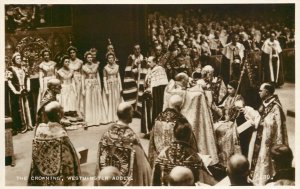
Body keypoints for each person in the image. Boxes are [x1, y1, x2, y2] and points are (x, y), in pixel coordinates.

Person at [95, 102, 151, 186]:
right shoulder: (131, 137)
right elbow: (142, 166)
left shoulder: (106, 134)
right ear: (128, 115)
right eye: (132, 112)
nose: (133, 114)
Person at [244, 83, 289, 185]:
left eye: (261, 90)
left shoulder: (276, 107)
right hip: (260, 135)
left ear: (267, 92)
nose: (259, 92)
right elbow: (261, 117)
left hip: (268, 140)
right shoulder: (265, 103)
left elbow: (277, 125)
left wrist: (263, 123)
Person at [28, 101, 81, 186]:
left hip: (42, 173)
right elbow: (71, 157)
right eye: (61, 109)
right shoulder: (61, 135)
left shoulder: (39, 130)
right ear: (59, 114)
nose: (63, 111)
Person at [152, 117, 217, 186]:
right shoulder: (194, 156)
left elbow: (155, 178)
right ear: (189, 136)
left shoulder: (163, 153)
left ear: (174, 134)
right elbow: (203, 180)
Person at [148, 94, 198, 167]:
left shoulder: (158, 118)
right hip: (177, 160)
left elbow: (152, 144)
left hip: (160, 159)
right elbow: (190, 143)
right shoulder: (181, 121)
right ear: (179, 107)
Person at [211, 80, 242, 167]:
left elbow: (239, 111)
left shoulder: (239, 98)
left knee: (224, 131)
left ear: (236, 89)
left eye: (231, 88)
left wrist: (235, 109)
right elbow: (222, 109)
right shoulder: (228, 97)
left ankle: (227, 159)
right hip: (225, 120)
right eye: (228, 88)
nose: (228, 90)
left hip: (233, 122)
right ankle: (219, 158)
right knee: (214, 128)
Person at [141, 56, 169, 136]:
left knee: (155, 112)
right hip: (148, 95)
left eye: (150, 62)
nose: (148, 63)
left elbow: (161, 84)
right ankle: (149, 130)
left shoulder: (160, 69)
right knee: (148, 113)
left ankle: (156, 131)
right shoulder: (150, 70)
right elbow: (148, 81)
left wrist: (151, 90)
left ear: (155, 62)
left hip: (156, 96)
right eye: (148, 62)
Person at [7, 52, 33, 135]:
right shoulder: (11, 69)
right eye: (17, 58)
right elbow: (9, 82)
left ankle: (28, 124)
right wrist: (15, 91)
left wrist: (28, 88)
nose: (19, 60)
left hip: (24, 89)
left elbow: (28, 78)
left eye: (20, 58)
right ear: (14, 60)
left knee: (26, 105)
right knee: (18, 108)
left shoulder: (24, 68)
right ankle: (20, 126)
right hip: (16, 91)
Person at [82, 51, 107, 126]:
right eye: (88, 57)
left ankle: (97, 119)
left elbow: (98, 76)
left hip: (95, 83)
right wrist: (83, 88)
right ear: (86, 58)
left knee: (96, 101)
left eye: (91, 57)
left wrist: (99, 85)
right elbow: (83, 77)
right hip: (88, 84)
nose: (90, 58)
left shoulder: (96, 65)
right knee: (89, 101)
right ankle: (90, 120)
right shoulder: (84, 67)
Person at [123, 44, 148, 117]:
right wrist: (134, 66)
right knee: (133, 94)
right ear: (133, 50)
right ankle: (132, 111)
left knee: (140, 94)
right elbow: (128, 69)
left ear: (140, 50)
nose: (137, 51)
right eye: (135, 49)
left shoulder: (143, 58)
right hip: (133, 80)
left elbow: (145, 69)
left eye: (138, 49)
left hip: (140, 79)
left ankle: (139, 111)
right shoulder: (131, 58)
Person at [103, 52, 123, 123]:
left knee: (117, 100)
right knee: (111, 101)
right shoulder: (105, 68)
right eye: (109, 58)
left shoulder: (117, 66)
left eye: (112, 58)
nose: (111, 59)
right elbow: (104, 79)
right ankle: (111, 117)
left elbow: (119, 77)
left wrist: (120, 87)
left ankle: (118, 116)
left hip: (116, 85)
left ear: (114, 58)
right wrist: (106, 89)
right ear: (107, 59)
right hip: (109, 85)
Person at [67, 46, 84, 118]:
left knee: (79, 95)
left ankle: (80, 111)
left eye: (73, 52)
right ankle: (74, 111)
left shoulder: (80, 62)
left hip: (78, 79)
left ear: (76, 53)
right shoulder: (67, 62)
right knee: (73, 95)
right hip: (71, 79)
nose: (72, 54)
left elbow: (82, 73)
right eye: (70, 53)